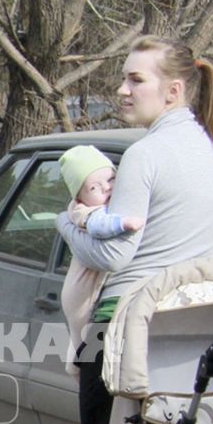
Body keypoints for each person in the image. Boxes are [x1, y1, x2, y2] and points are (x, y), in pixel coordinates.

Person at [34, 36, 213, 424]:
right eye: (122, 78)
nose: (121, 90)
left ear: (174, 90)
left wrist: (68, 225)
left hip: (121, 325)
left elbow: (117, 255)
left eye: (135, 80)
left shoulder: (146, 155)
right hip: (190, 328)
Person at [53, 144, 144, 372]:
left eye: (111, 179)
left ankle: (77, 363)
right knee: (83, 337)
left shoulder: (102, 202)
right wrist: (124, 223)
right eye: (94, 187)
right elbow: (98, 227)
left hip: (89, 281)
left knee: (82, 342)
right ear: (80, 196)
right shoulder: (82, 211)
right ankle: (77, 366)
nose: (106, 188)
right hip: (80, 288)